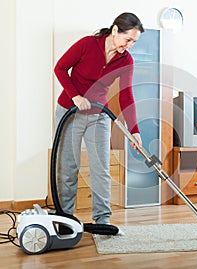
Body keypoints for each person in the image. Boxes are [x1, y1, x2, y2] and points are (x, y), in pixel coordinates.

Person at [53, 12, 144, 226]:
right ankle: (64, 218)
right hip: (69, 112)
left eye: (134, 41)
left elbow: (126, 95)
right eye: (128, 39)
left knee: (101, 168)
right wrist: (75, 96)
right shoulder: (87, 44)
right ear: (115, 31)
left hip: (98, 116)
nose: (130, 45)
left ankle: (102, 220)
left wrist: (135, 130)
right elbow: (60, 68)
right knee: (68, 167)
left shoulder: (126, 60)